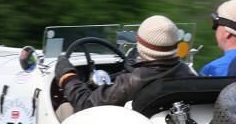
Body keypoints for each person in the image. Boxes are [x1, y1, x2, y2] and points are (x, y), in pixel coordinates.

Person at [56, 15, 195, 112]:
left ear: (139, 44)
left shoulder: (135, 80)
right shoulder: (187, 72)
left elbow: (85, 104)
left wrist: (67, 77)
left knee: (65, 108)